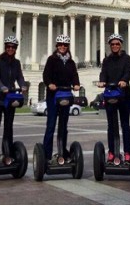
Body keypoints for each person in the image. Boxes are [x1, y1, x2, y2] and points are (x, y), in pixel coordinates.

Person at [0, 36, 27, 161]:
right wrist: (1, 86)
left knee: (9, 127)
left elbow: (19, 76)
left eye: (13, 47)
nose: (10, 49)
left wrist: (23, 85)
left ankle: (7, 152)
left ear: (15, 49)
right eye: (8, 47)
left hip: (10, 98)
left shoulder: (16, 63)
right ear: (5, 47)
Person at [42, 34, 80, 163]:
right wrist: (49, 84)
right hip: (53, 96)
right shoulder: (51, 59)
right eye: (60, 45)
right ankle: (46, 154)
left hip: (65, 95)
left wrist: (76, 84)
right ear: (56, 46)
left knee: (63, 126)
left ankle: (62, 151)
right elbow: (46, 75)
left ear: (68, 47)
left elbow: (75, 75)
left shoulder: (71, 62)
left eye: (65, 45)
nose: (62, 47)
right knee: (51, 125)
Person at [98, 33, 130, 163]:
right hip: (110, 94)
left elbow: (129, 71)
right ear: (109, 46)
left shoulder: (126, 58)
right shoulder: (106, 60)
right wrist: (102, 81)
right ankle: (112, 152)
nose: (115, 46)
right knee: (111, 125)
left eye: (117, 43)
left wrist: (124, 80)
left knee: (125, 125)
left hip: (124, 95)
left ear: (121, 45)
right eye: (112, 44)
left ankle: (128, 152)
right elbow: (103, 73)